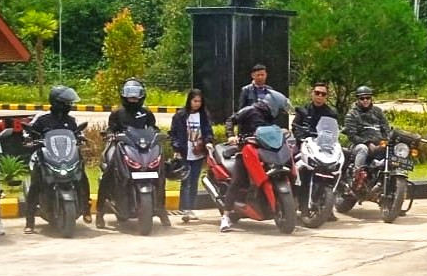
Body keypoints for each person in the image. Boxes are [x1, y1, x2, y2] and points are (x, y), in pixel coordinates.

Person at [96, 78, 168, 228]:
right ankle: (100, 211)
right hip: (121, 146)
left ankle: (161, 209)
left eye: (136, 95)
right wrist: (110, 134)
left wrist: (159, 134)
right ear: (124, 95)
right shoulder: (117, 113)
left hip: (142, 148)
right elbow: (111, 128)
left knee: (161, 172)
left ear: (142, 96)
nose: (133, 98)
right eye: (130, 95)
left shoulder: (146, 113)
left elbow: (153, 128)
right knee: (108, 172)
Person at [23, 85, 92, 233]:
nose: (69, 105)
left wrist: (81, 137)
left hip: (66, 156)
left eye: (70, 102)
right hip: (46, 156)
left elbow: (76, 133)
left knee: (82, 177)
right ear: (57, 102)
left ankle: (86, 208)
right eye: (67, 102)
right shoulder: (42, 119)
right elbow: (30, 131)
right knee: (36, 183)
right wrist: (29, 138)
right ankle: (29, 221)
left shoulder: (71, 120)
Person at [220, 90, 289, 232]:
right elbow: (231, 120)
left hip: (264, 152)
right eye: (280, 109)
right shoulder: (249, 110)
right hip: (246, 150)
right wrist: (231, 135)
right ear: (273, 105)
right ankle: (225, 217)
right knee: (238, 180)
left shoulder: (269, 116)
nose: (280, 113)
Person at [169, 88, 215, 223]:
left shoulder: (204, 115)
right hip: (184, 152)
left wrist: (208, 142)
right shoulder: (180, 116)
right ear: (189, 101)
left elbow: (208, 131)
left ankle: (190, 208)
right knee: (185, 181)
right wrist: (176, 147)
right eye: (195, 101)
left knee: (194, 181)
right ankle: (185, 208)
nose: (197, 104)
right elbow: (173, 133)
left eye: (199, 101)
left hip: (198, 153)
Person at [343, 85, 391, 191]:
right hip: (357, 145)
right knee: (362, 149)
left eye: (368, 98)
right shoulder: (352, 114)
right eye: (362, 98)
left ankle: (389, 179)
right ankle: (357, 177)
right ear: (358, 99)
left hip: (379, 145)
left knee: (394, 150)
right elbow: (352, 135)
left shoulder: (378, 111)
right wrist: (368, 143)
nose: (365, 100)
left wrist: (386, 140)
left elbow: (386, 128)